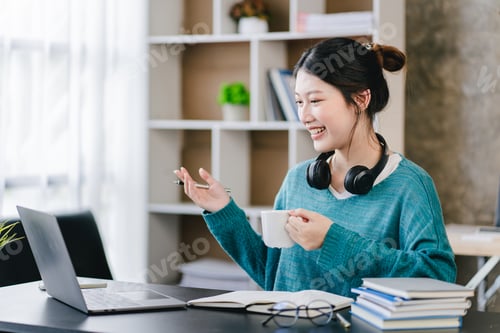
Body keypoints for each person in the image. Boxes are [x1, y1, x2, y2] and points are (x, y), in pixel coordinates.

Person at [174, 37, 457, 297]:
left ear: (361, 98)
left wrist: (333, 240)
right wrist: (224, 212)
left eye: (315, 100)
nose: (304, 116)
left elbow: (438, 276)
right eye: (299, 102)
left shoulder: (409, 185)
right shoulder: (298, 179)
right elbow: (271, 274)